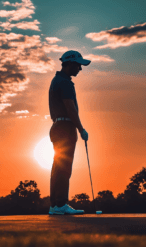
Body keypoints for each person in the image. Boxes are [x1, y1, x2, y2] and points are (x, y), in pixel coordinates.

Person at [48, 50, 91, 215]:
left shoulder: (57, 80)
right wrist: (81, 129)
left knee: (58, 167)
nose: (80, 69)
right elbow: (70, 108)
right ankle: (59, 204)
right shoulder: (65, 82)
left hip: (59, 127)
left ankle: (56, 205)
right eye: (78, 65)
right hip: (65, 128)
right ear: (70, 64)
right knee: (63, 168)